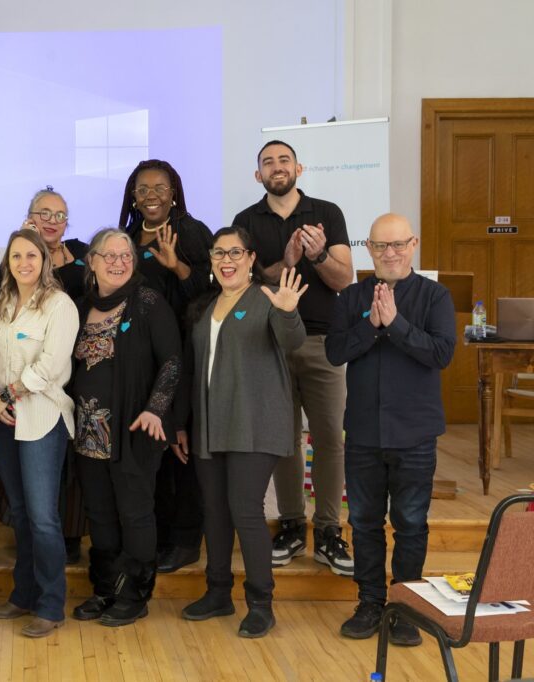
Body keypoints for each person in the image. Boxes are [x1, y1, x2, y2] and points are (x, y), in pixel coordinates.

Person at [326, 214, 456, 647]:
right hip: (363, 433)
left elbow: (441, 354)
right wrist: (371, 325)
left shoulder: (435, 296)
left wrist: (396, 324)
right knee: (363, 524)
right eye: (381, 246)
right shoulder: (351, 297)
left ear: (413, 245)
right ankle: (369, 603)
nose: (390, 253)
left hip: (415, 435)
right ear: (369, 249)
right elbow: (335, 352)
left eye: (398, 244)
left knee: (411, 524)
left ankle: (404, 607)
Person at [173, 227, 306, 639]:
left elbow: (293, 342)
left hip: (255, 423)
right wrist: (181, 423)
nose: (226, 260)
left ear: (251, 258)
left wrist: (287, 311)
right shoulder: (204, 305)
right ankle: (218, 593)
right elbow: (191, 370)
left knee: (244, 510)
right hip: (209, 425)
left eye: (235, 252)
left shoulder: (268, 299)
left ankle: (261, 603)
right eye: (219, 253)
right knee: (214, 510)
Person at [233, 140, 355, 575]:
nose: (277, 167)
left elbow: (344, 279)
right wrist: (283, 263)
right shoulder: (246, 221)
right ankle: (290, 525)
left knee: (329, 439)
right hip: (271, 343)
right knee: (283, 440)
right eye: (268, 162)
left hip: (323, 342)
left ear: (298, 168)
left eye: (284, 160)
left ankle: (328, 531)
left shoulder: (328, 213)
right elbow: (242, 284)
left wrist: (317, 255)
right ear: (258, 175)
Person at [70, 228, 182, 627]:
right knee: (100, 514)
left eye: (126, 256)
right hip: (87, 435)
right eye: (110, 255)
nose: (119, 263)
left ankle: (134, 594)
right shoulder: (80, 307)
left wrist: (155, 409)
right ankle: (105, 590)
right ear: (92, 262)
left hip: (134, 431)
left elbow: (172, 361)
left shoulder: (148, 302)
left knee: (134, 513)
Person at [0, 230, 79, 638]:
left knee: (42, 517)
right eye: (16, 256)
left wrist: (5, 394)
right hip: (4, 418)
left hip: (41, 417)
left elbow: (50, 367)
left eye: (31, 256)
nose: (24, 263)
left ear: (45, 260)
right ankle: (23, 594)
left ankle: (51, 605)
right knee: (20, 513)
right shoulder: (2, 303)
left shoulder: (60, 305)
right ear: (8, 262)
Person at [119, 160, 214, 575]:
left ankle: (186, 539)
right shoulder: (124, 237)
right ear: (133, 196)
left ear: (174, 192)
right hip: (137, 359)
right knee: (149, 445)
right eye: (143, 189)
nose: (151, 195)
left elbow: (212, 289)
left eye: (160, 187)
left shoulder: (190, 232)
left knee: (179, 446)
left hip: (181, 355)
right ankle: (154, 533)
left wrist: (177, 266)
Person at [20, 186, 90, 564]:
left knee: (73, 457)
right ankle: (33, 534)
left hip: (79, 368)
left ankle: (71, 533)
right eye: (43, 213)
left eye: (59, 215)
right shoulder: (22, 257)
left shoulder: (82, 253)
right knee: (38, 459)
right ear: (30, 217)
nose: (52, 221)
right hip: (37, 370)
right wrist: (30, 247)